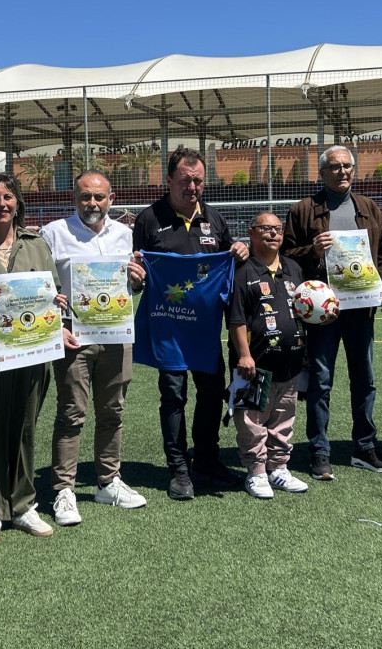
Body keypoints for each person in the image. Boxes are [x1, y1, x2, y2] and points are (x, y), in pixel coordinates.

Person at [0, 172, 75, 545]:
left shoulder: (37, 244)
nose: (2, 203)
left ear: (18, 203)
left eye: (8, 196)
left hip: (32, 349)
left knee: (22, 428)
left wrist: (58, 307)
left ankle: (22, 505)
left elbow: (52, 293)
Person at [132, 147, 249, 500]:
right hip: (169, 328)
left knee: (213, 393)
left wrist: (240, 250)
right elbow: (136, 273)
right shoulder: (148, 219)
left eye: (198, 180)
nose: (193, 187)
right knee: (173, 395)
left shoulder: (214, 219)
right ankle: (179, 469)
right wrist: (134, 275)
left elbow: (231, 263)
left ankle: (207, 460)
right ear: (169, 181)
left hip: (206, 330)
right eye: (185, 181)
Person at [281, 145, 382, 479]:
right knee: (320, 379)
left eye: (348, 166)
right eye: (335, 167)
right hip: (323, 312)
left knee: (365, 379)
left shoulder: (369, 208)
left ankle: (365, 446)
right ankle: (319, 449)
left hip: (361, 309)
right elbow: (286, 256)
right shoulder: (303, 210)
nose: (343, 171)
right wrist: (311, 250)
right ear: (322, 172)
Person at [40, 170, 148, 525]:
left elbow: (132, 287)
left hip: (117, 334)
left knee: (113, 411)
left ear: (111, 200)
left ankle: (108, 481)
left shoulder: (125, 234)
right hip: (75, 336)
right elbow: (42, 289)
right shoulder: (53, 234)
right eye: (85, 196)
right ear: (74, 198)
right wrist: (56, 326)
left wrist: (136, 282)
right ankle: (64, 489)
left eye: (99, 197)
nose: (92, 203)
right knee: (72, 413)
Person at [229, 212, 318, 498]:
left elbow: (306, 309)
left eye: (277, 229)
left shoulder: (293, 268)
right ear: (251, 233)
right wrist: (244, 355)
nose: (273, 234)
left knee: (283, 420)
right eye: (266, 229)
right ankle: (255, 472)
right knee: (252, 421)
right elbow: (236, 319)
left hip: (290, 364)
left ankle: (278, 468)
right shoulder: (242, 270)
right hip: (255, 367)